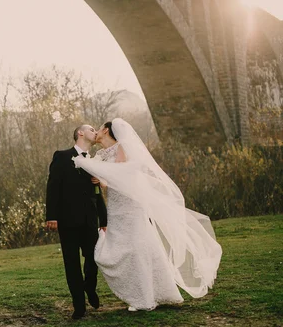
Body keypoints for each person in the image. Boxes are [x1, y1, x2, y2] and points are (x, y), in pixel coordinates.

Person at [73, 118, 222, 311]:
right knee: (136, 246)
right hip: (115, 208)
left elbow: (125, 175)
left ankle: (143, 297)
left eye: (100, 128)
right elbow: (109, 173)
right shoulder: (101, 154)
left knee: (137, 247)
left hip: (130, 206)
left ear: (108, 131)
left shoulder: (123, 149)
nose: (98, 131)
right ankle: (159, 291)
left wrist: (97, 176)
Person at [46, 124, 107, 319]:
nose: (94, 131)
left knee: (93, 258)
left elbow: (97, 194)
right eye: (91, 128)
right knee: (71, 263)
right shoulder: (62, 156)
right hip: (67, 220)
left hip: (90, 219)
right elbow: (53, 187)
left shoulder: (94, 161)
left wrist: (103, 218)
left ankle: (90, 287)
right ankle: (79, 305)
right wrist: (51, 216)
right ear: (80, 133)